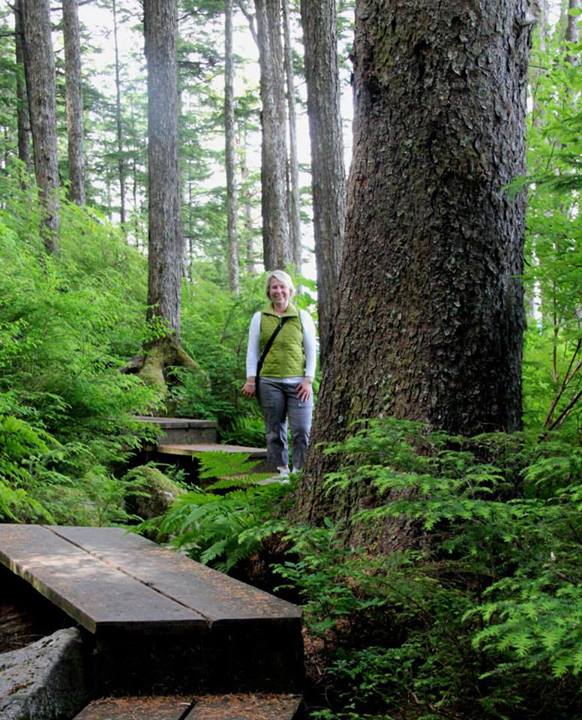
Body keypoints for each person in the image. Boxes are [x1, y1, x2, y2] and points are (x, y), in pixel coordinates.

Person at [242, 270, 317, 475]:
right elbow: (252, 351)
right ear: (269, 291)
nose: (278, 291)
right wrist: (251, 379)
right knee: (274, 432)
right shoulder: (259, 317)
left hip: (299, 384)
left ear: (290, 290)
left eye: (282, 287)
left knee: (302, 430)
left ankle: (300, 473)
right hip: (269, 382)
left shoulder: (302, 316)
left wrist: (308, 379)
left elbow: (311, 350)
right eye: (274, 287)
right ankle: (280, 474)